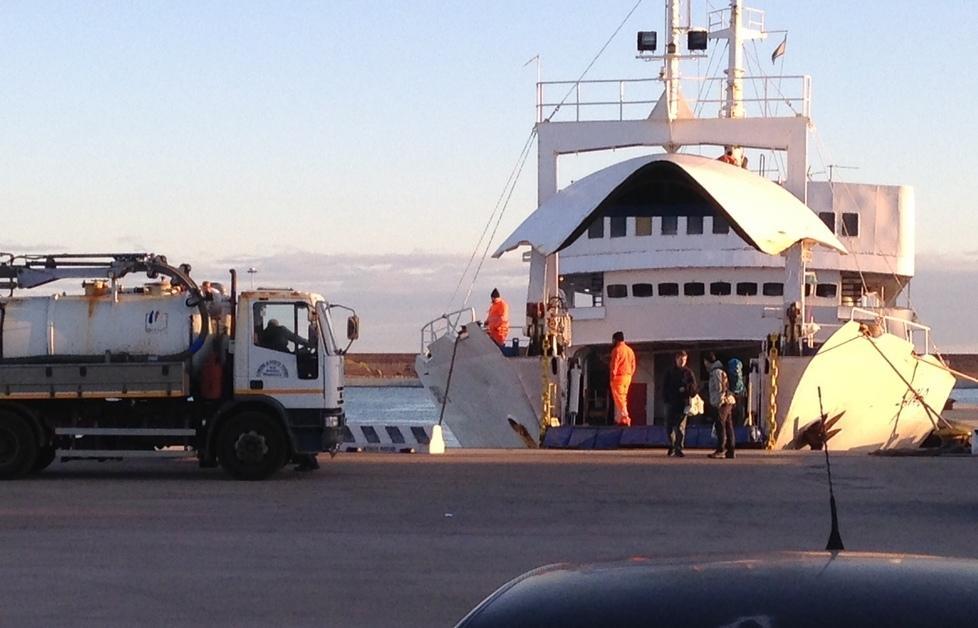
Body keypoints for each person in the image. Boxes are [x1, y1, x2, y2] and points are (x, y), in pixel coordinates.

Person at [662, 350, 695, 457]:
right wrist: (666, 398)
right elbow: (664, 386)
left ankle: (679, 447)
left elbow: (694, 388)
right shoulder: (669, 372)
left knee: (680, 427)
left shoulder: (688, 373)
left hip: (683, 403)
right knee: (669, 426)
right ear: (676, 359)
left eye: (684, 359)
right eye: (680, 359)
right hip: (671, 402)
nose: (682, 362)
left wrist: (686, 389)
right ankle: (672, 445)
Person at [705, 352, 736, 459]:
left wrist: (718, 402)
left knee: (720, 425)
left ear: (707, 361)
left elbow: (720, 388)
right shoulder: (721, 369)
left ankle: (721, 449)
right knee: (728, 425)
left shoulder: (716, 372)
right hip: (729, 401)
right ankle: (731, 450)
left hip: (722, 402)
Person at [609, 331, 636, 427]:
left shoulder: (617, 350)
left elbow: (614, 365)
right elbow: (633, 365)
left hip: (618, 377)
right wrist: (630, 375)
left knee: (619, 398)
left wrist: (612, 378)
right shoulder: (630, 350)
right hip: (628, 377)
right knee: (623, 398)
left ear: (616, 340)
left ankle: (625, 418)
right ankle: (621, 418)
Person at [727, 358, 747, 426]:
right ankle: (739, 424)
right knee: (739, 411)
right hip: (740, 393)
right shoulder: (739, 374)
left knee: (732, 412)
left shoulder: (729, 373)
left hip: (732, 393)